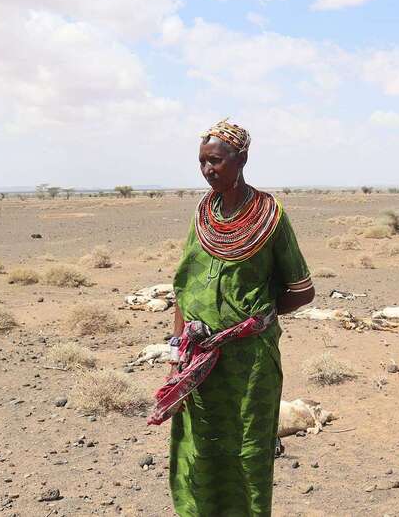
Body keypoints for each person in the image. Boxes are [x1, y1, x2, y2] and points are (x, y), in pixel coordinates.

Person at [153, 118, 315, 516]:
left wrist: (254, 321)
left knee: (247, 450)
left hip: (250, 366)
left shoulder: (270, 215)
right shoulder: (202, 214)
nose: (209, 170)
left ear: (241, 158)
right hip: (199, 362)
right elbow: (184, 287)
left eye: (217, 161)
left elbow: (302, 290)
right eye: (202, 162)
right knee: (198, 445)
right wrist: (177, 351)